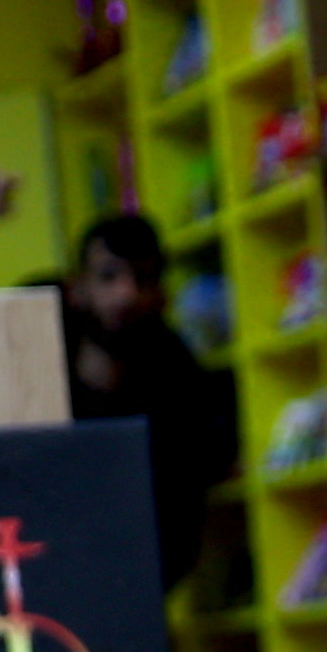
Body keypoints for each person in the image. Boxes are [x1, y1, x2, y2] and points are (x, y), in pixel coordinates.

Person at [56, 212, 235, 592]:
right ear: (77, 287)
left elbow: (199, 467)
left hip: (143, 568)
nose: (126, 294)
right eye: (108, 276)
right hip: (52, 556)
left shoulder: (174, 366)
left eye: (143, 279)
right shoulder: (46, 341)